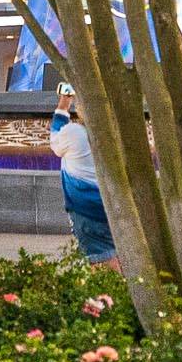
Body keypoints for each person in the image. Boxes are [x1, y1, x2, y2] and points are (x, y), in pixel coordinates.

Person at [48, 84, 116, 267]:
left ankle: (110, 295)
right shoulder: (115, 134)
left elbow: (55, 139)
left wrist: (63, 104)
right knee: (116, 254)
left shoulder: (75, 133)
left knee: (100, 260)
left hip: (86, 209)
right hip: (114, 205)